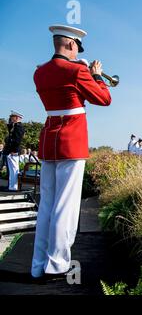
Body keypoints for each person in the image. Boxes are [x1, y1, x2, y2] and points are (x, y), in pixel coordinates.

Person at [31, 25, 112, 280]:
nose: (78, 53)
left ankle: (37, 265)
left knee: (47, 205)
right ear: (70, 45)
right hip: (71, 142)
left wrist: (83, 74)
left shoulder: (39, 73)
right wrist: (96, 76)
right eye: (77, 48)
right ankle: (57, 265)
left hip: (49, 141)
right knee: (65, 207)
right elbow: (104, 99)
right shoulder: (77, 71)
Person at [3, 111, 25, 191]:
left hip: (13, 151)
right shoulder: (14, 126)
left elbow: (17, 140)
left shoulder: (19, 127)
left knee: (14, 170)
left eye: (12, 117)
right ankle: (11, 186)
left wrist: (14, 150)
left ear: (17, 118)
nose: (11, 118)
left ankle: (13, 187)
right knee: (11, 170)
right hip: (10, 150)